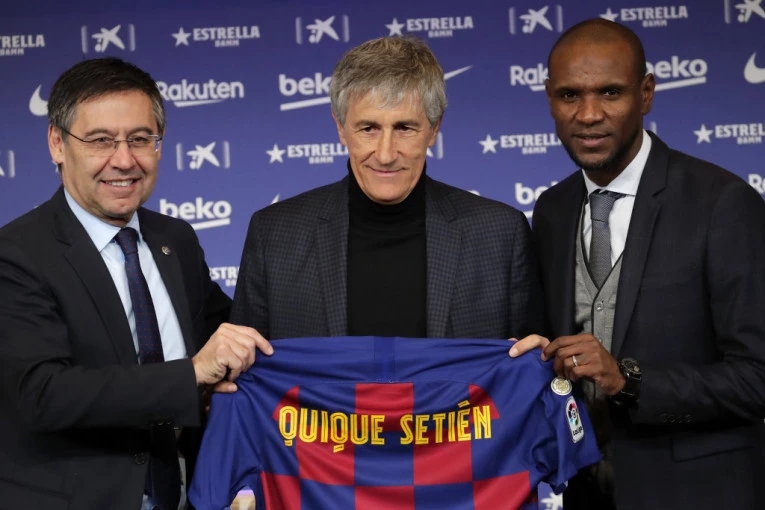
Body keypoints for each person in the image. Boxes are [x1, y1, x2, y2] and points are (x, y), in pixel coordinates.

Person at [0, 57, 271, 510]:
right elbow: (43, 394)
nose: (124, 160)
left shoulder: (175, 239)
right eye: (100, 141)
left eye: (141, 139)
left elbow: (229, 333)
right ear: (57, 144)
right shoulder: (16, 254)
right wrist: (191, 376)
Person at [534, 18, 765, 509]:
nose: (588, 114)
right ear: (550, 97)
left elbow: (757, 376)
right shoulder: (552, 210)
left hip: (699, 495)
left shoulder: (722, 203)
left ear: (646, 94)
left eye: (610, 93)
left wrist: (630, 380)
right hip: (585, 493)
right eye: (570, 95)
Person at [231, 36, 543, 346]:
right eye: (369, 128)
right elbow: (245, 368)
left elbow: (531, 364)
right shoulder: (274, 235)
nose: (385, 154)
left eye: (404, 128)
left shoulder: (501, 234)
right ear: (341, 127)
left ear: (434, 128)